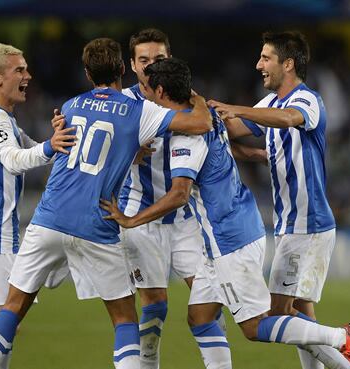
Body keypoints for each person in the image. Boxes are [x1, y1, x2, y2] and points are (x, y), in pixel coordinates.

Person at [101, 57, 350, 369]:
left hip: (229, 239)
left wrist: (131, 219)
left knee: (255, 327)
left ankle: (340, 337)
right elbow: (219, 143)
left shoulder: (184, 136)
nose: (146, 95)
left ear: (161, 91)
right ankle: (346, 365)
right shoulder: (205, 116)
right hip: (238, 226)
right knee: (200, 317)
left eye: (149, 90)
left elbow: (179, 194)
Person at [0, 37, 213, 369]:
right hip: (96, 223)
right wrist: (196, 97)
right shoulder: (138, 110)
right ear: (121, 68)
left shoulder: (70, 107)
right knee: (125, 320)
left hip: (48, 219)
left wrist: (131, 151)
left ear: (87, 74)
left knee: (11, 310)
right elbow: (201, 123)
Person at [208, 31, 350, 369]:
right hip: (293, 224)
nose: (258, 65)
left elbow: (288, 119)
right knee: (301, 313)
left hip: (308, 225)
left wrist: (233, 107)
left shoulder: (306, 100)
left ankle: (346, 351)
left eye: (266, 58)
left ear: (287, 63)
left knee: (278, 315)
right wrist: (195, 110)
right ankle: (345, 360)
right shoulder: (270, 104)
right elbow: (233, 128)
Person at [0, 42, 76, 369]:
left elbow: (30, 148)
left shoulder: (0, 118)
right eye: (19, 70)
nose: (28, 75)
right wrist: (51, 147)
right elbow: (15, 160)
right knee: (6, 317)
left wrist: (54, 141)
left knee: (7, 318)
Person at [117, 28, 225, 369]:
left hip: (183, 217)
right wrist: (127, 152)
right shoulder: (123, 105)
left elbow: (209, 126)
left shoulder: (188, 99)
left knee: (209, 298)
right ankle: (148, 363)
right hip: (141, 215)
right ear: (132, 65)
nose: (150, 66)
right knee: (155, 304)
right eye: (144, 60)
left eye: (158, 60)